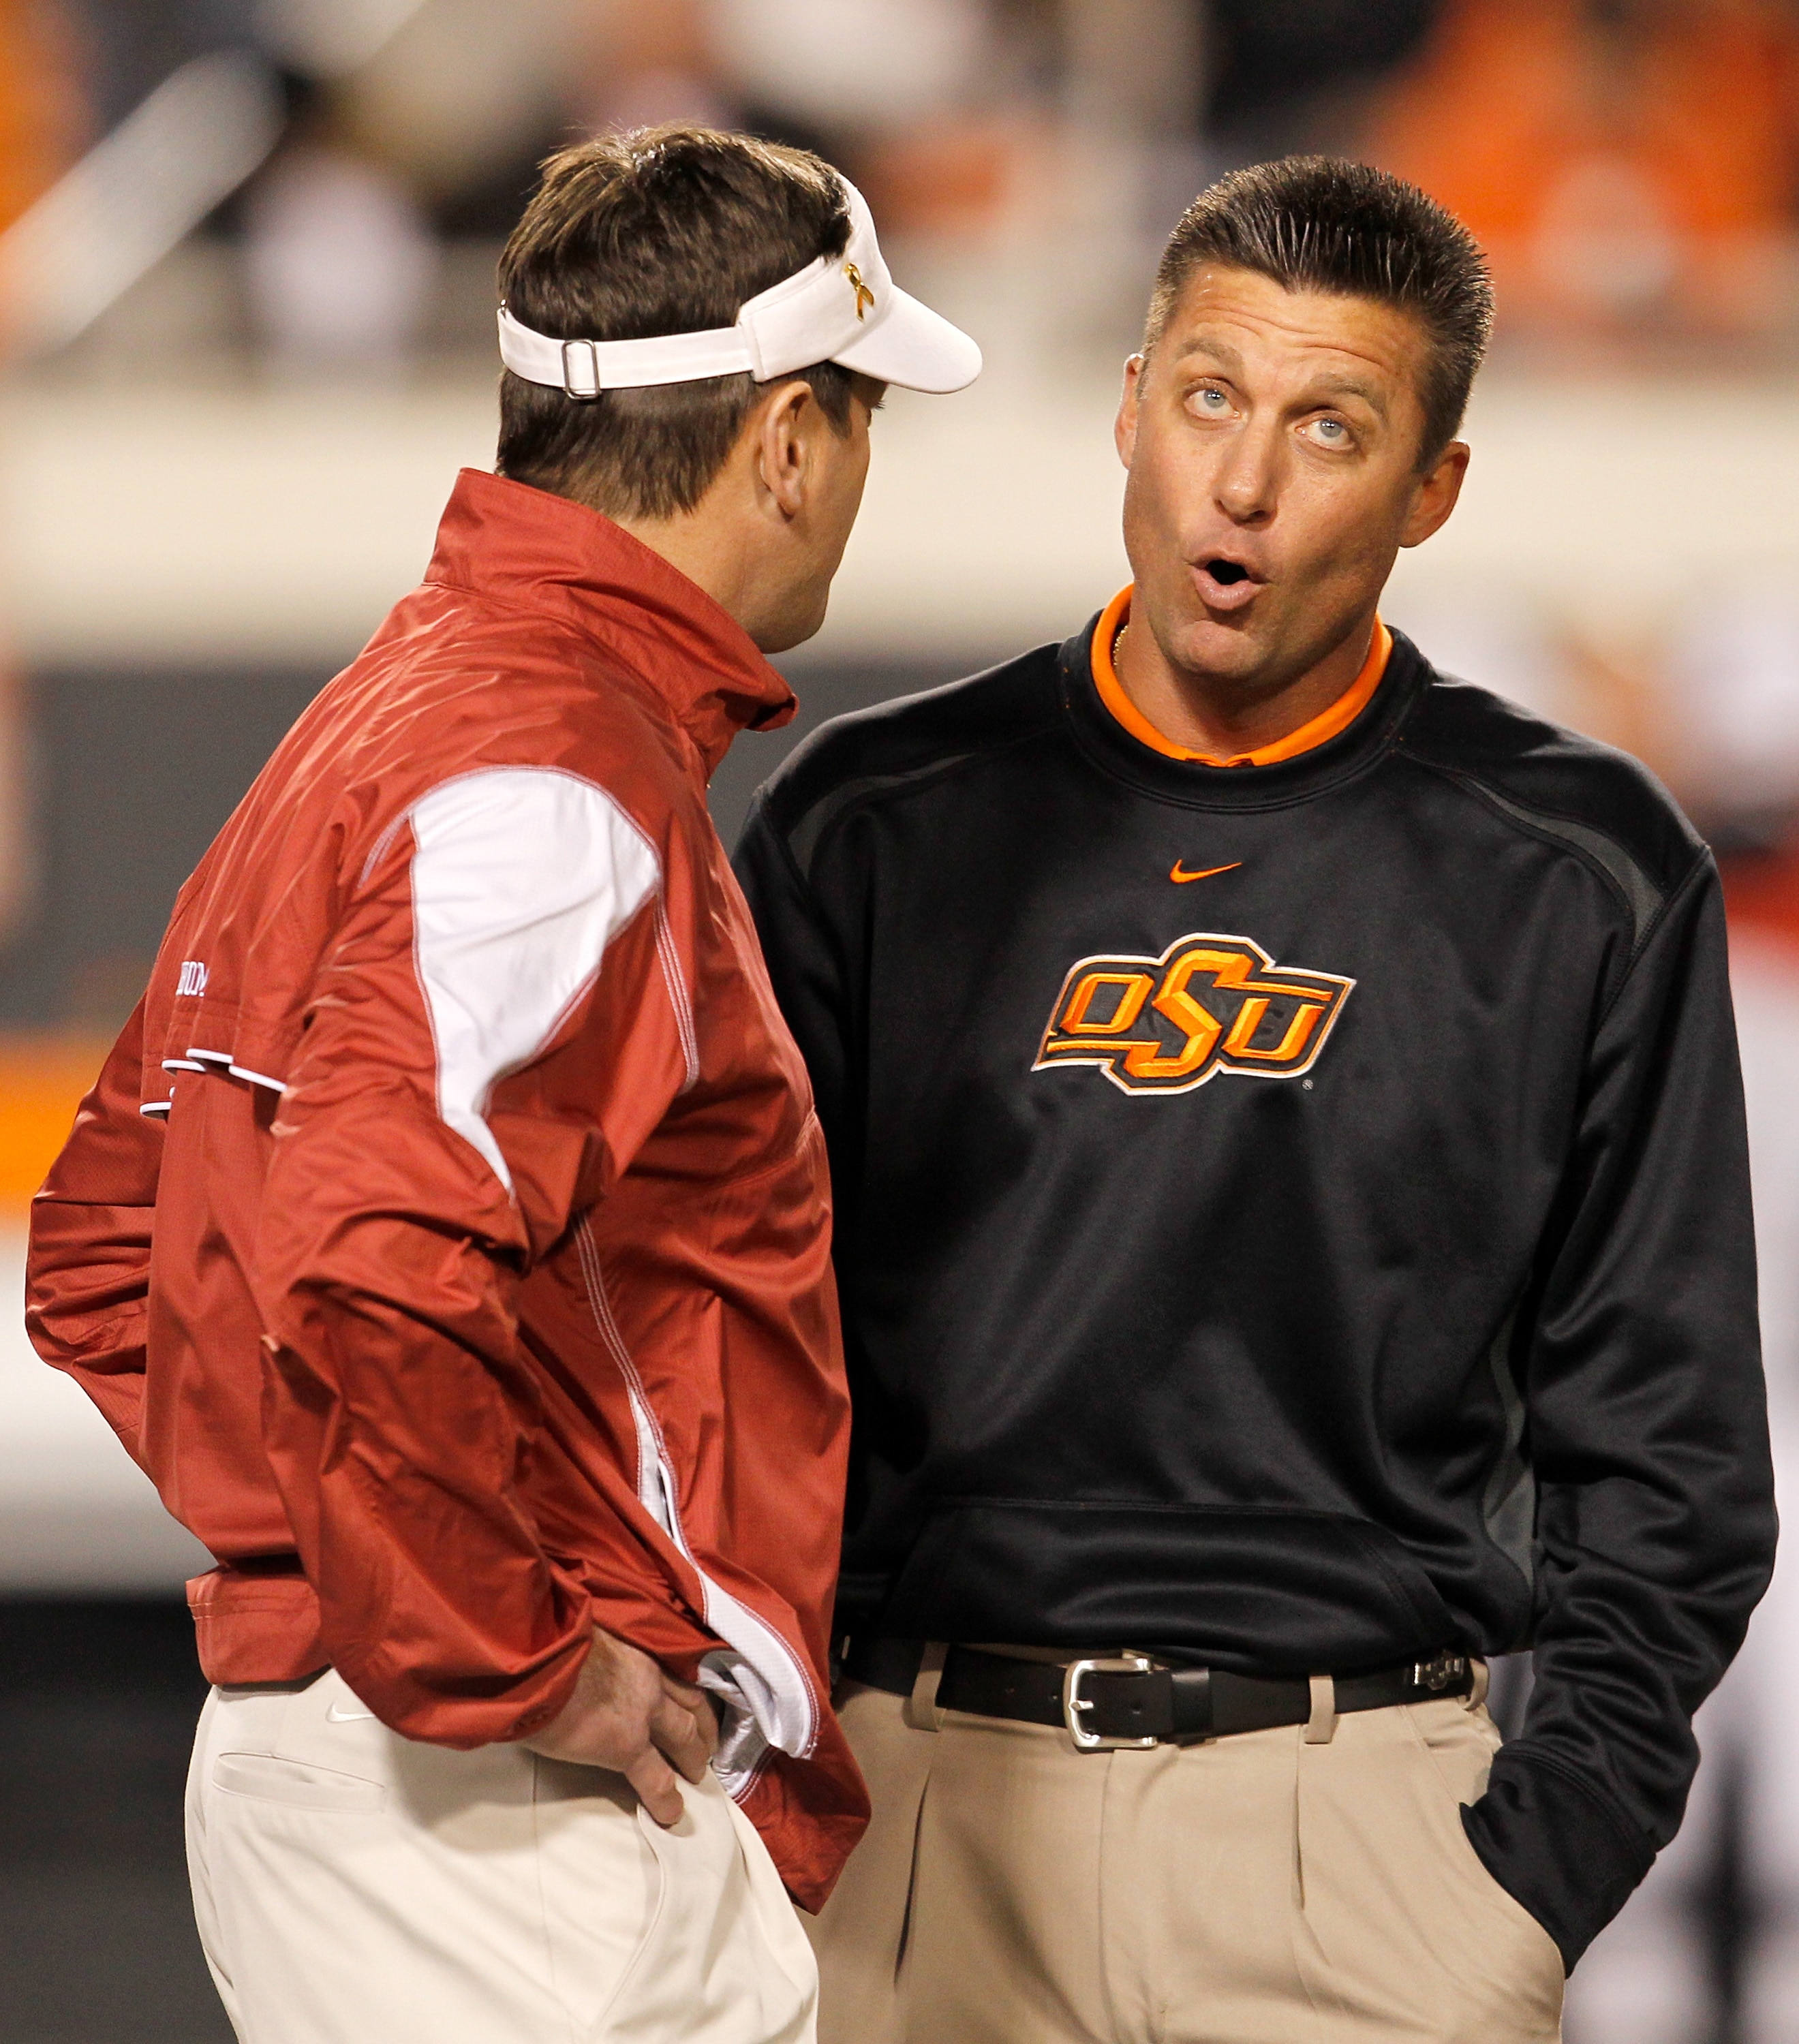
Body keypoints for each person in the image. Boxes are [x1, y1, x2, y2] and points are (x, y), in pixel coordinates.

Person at [733, 155, 1775, 2042]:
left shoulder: (1580, 870)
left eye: (1331, 425)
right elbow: (719, 1351)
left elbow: (1675, 1462)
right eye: (1210, 395)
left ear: (1434, 488)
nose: (1246, 481)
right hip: (913, 1822)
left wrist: (1516, 1886)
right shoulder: (872, 825)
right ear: (1130, 407)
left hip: (1370, 1854)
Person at [25, 125, 978, 2044]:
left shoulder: (393, 714)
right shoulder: (553, 772)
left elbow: (108, 1260)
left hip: (379, 1780)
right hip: (495, 1815)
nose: (860, 472)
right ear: (784, 439)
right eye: (862, 418)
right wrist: (514, 1661)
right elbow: (365, 1271)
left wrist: (339, 1568)